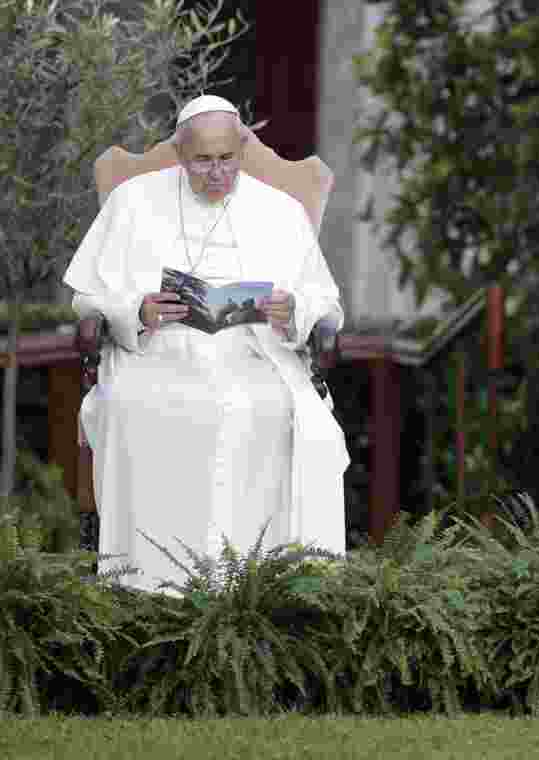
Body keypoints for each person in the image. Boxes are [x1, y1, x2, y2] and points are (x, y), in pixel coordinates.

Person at [64, 95, 349, 591]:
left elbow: (325, 304)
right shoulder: (132, 203)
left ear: (242, 148)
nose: (216, 174)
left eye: (227, 159)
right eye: (201, 161)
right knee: (139, 406)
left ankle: (262, 588)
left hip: (257, 356)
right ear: (179, 153)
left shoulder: (280, 210)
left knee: (268, 411)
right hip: (157, 355)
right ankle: (146, 586)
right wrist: (135, 310)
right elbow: (87, 300)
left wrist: (294, 311)